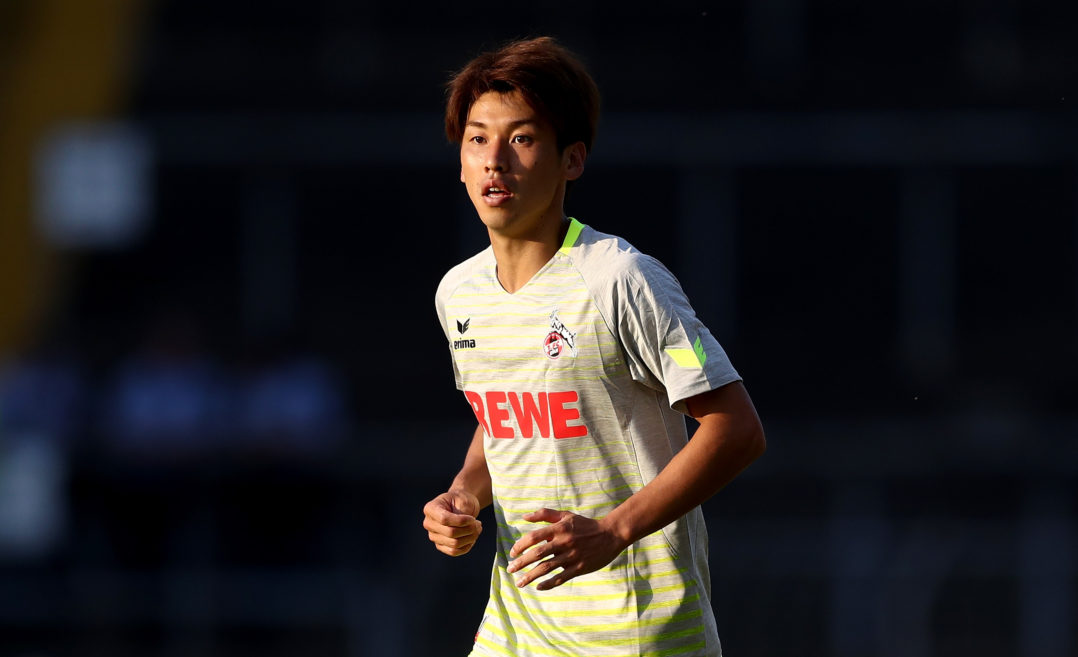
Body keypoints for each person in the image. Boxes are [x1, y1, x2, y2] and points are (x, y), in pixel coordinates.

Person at [422, 36, 766, 657]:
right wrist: (466, 491)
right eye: (478, 138)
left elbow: (736, 429)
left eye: (522, 138)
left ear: (572, 160)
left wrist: (613, 531)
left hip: (639, 636)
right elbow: (504, 414)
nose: (495, 160)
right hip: (516, 630)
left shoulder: (622, 280)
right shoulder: (460, 293)